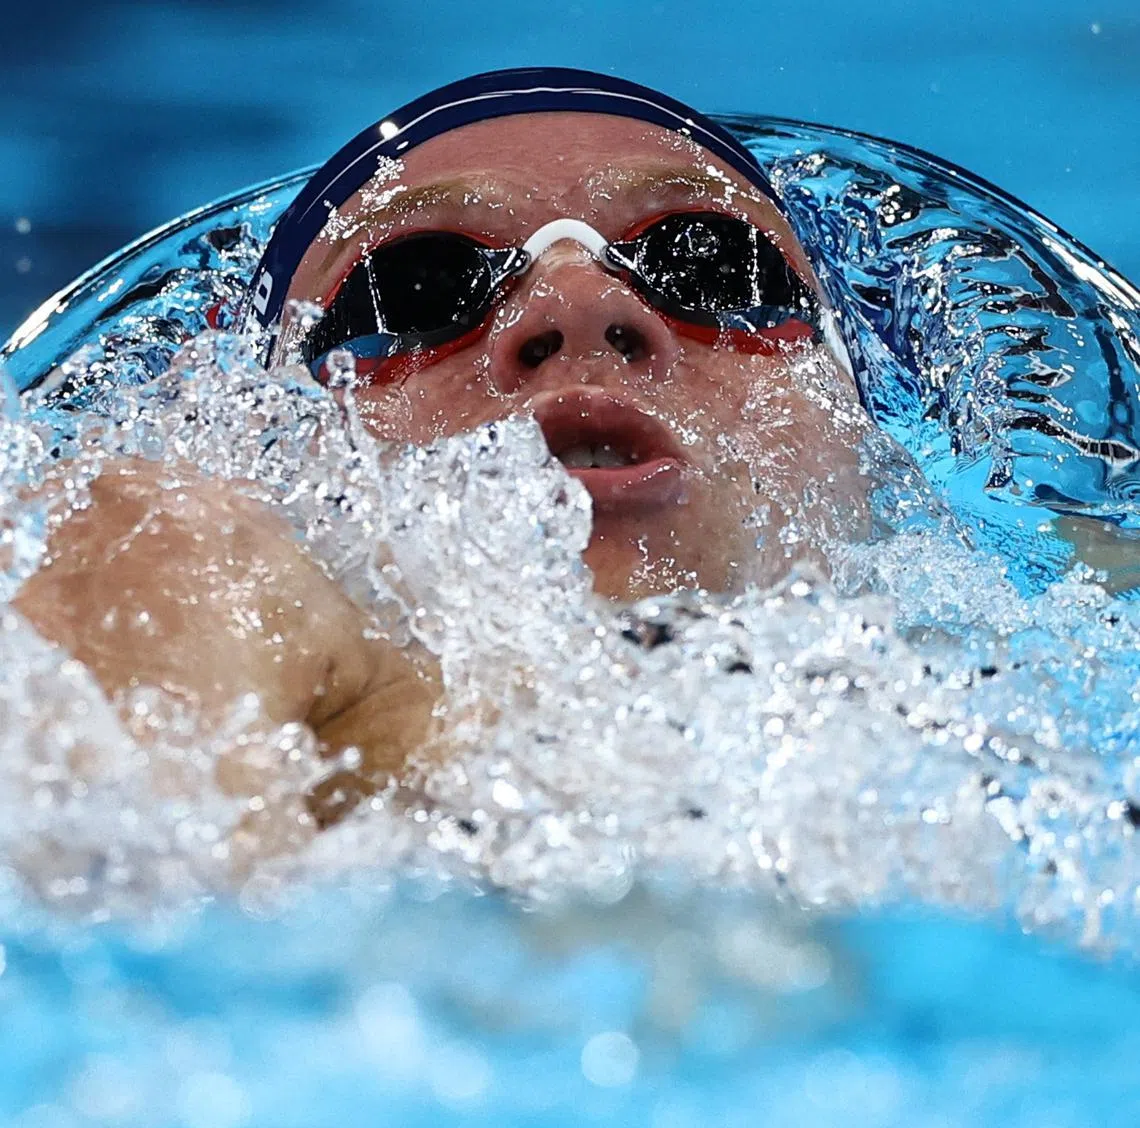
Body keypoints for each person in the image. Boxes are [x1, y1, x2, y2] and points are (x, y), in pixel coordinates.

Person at [13, 68, 874, 824]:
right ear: (261, 436)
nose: (578, 304)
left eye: (716, 269)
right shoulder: (189, 561)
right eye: (416, 290)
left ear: (871, 437)